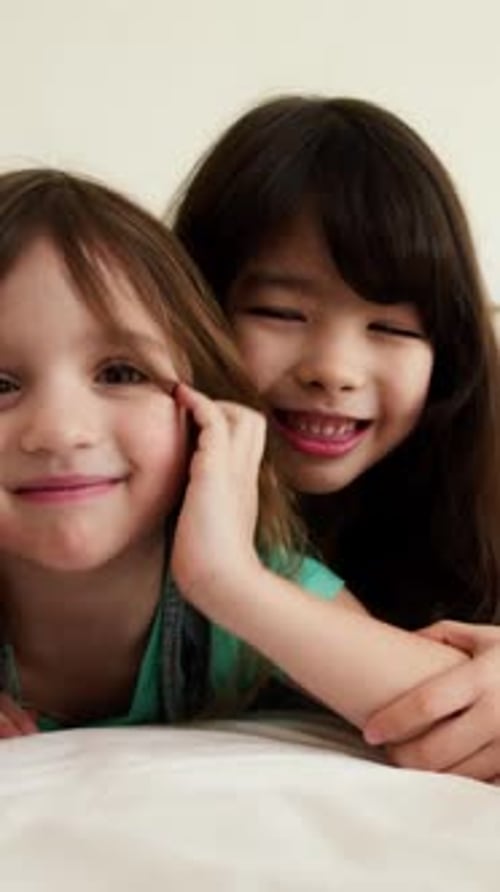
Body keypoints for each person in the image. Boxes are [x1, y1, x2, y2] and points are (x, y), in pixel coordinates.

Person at [0, 168, 464, 740]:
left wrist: (227, 581)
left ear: (207, 410)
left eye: (121, 372)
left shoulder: (261, 575)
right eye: (1, 386)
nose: (60, 431)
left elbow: (453, 707)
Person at [173, 95, 500, 780]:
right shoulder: (113, 483)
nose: (333, 370)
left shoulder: (474, 487)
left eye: (393, 328)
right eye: (279, 312)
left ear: (449, 354)